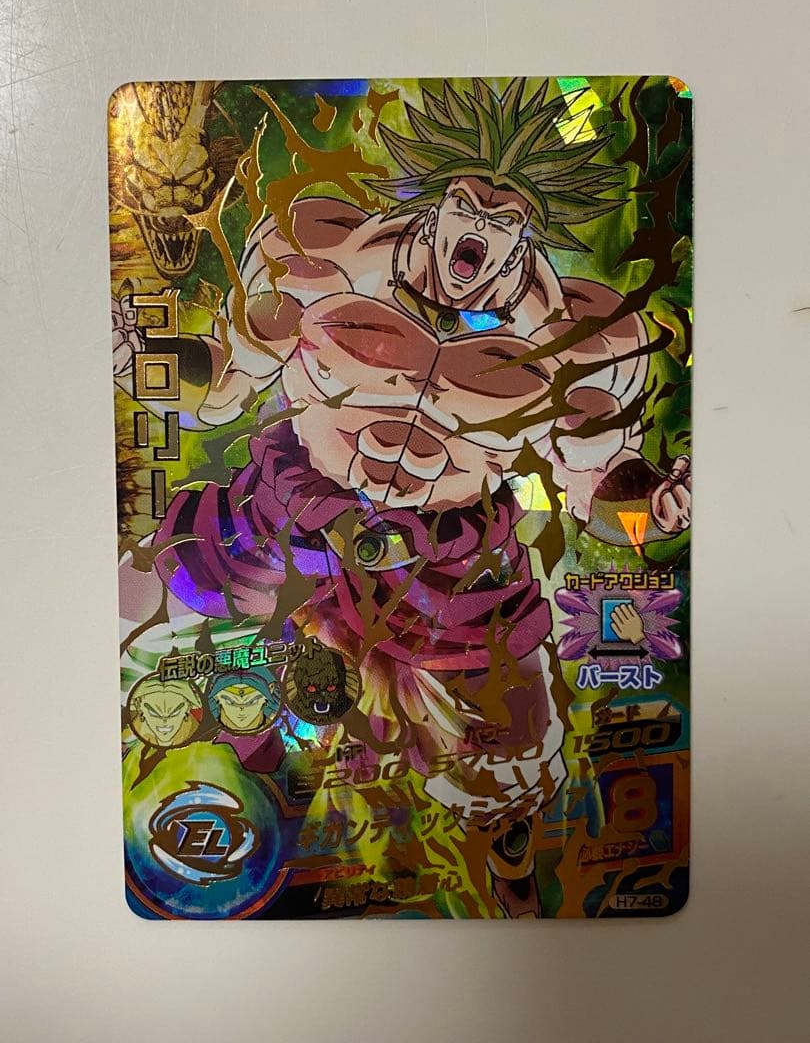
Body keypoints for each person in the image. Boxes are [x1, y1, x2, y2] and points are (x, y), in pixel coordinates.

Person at [117, 78, 691, 916]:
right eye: (471, 207)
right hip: (294, 504)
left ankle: (511, 868)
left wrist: (655, 512)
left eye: (507, 220)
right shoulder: (322, 254)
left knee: (508, 751)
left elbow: (597, 481)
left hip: (453, 551)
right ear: (441, 201)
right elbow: (225, 384)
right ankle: (208, 800)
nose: (483, 233)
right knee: (159, 603)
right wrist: (141, 360)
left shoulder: (580, 333)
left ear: (530, 233)